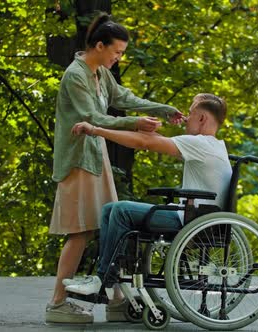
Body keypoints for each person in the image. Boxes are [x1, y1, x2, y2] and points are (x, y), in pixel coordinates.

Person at [46, 12, 184, 324]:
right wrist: (135, 123)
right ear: (98, 46)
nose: (118, 58)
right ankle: (56, 303)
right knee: (80, 232)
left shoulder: (100, 74)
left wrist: (161, 109)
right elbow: (92, 117)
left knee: (113, 227)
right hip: (79, 162)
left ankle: (117, 300)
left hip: (97, 160)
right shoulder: (76, 75)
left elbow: (123, 96)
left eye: (121, 53)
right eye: (116, 52)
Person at [65, 93, 232, 309]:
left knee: (121, 211)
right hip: (194, 217)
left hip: (191, 221)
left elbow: (145, 143)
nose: (186, 119)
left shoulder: (201, 144)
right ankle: (107, 280)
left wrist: (95, 130)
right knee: (110, 209)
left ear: (202, 119)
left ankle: (104, 279)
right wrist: (144, 129)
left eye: (190, 113)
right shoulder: (213, 146)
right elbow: (151, 140)